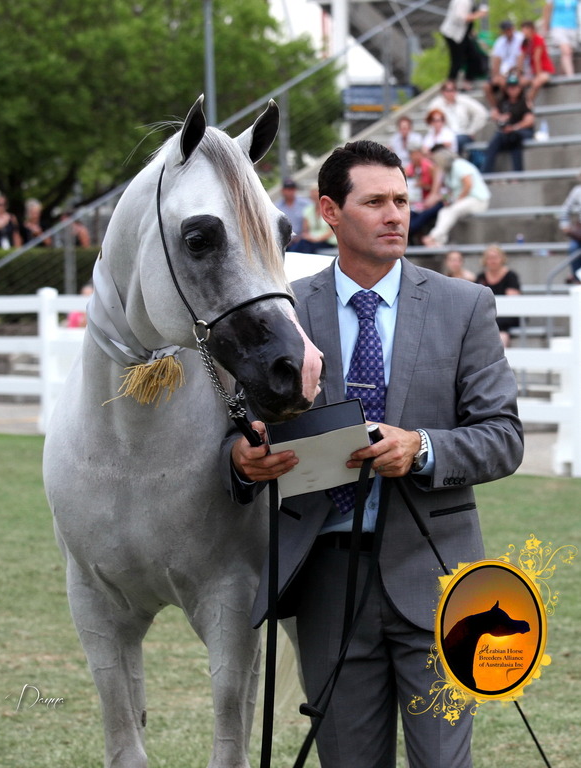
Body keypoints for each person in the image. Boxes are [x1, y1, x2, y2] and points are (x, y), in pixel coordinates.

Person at [220, 139, 523, 768]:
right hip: (325, 578)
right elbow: (239, 429)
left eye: (403, 201)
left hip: (437, 576)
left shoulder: (463, 306)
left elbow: (503, 437)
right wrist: (240, 461)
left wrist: (422, 447)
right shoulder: (284, 313)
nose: (396, 215)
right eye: (376, 201)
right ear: (330, 211)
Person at [422, 147, 490, 247]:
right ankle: (438, 243)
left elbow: (468, 185)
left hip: (478, 200)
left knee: (452, 210)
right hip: (465, 200)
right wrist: (446, 200)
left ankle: (433, 237)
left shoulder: (459, 165)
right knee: (443, 211)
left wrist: (456, 200)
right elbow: (452, 191)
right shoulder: (449, 172)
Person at [482, 71, 535, 173]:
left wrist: (514, 127)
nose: (512, 89)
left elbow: (529, 121)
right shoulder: (503, 102)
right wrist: (500, 118)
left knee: (513, 138)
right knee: (497, 139)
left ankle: (517, 173)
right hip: (507, 133)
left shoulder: (525, 102)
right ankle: (486, 171)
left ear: (520, 88)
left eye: (515, 87)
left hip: (521, 131)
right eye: (510, 87)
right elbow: (494, 114)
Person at [475, 244, 521, 346]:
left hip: (506, 316)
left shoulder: (510, 276)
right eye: (489, 258)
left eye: (495, 257)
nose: (492, 261)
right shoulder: (480, 277)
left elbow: (512, 301)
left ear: (502, 259)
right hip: (488, 316)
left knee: (499, 332)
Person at [428, 80, 489, 155]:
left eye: (452, 90)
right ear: (442, 92)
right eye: (447, 90)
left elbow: (481, 113)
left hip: (462, 135)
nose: (450, 93)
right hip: (445, 137)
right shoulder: (436, 104)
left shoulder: (463, 100)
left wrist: (471, 130)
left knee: (458, 141)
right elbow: (431, 122)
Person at [440, 0, 489, 89]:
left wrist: (471, 31)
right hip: (454, 35)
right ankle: (449, 85)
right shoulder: (463, 1)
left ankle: (467, 81)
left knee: (473, 55)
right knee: (457, 61)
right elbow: (460, 18)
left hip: (462, 34)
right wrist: (479, 14)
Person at [406, 141, 444, 242]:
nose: (415, 156)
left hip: (431, 200)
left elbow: (437, 188)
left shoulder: (430, 167)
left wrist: (424, 186)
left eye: (417, 153)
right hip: (417, 202)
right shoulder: (409, 168)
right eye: (413, 154)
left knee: (414, 223)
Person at [483, 20, 525, 108]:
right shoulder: (500, 42)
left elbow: (521, 57)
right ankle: (497, 108)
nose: (509, 31)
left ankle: (511, 106)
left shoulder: (520, 38)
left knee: (506, 83)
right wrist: (496, 75)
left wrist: (518, 72)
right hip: (504, 72)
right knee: (487, 86)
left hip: (515, 71)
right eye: (506, 30)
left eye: (510, 29)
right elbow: (496, 60)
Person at [517, 20, 556, 105]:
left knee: (536, 82)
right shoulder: (525, 42)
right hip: (533, 72)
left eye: (525, 29)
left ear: (531, 29)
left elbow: (537, 58)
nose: (523, 32)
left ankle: (527, 103)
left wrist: (538, 75)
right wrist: (519, 73)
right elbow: (521, 59)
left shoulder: (538, 39)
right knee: (518, 83)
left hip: (544, 70)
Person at [293, 186, 337, 254]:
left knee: (304, 247)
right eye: (313, 194)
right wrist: (310, 237)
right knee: (302, 244)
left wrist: (317, 239)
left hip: (327, 241)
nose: (314, 196)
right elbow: (305, 230)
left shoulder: (330, 210)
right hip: (311, 240)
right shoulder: (308, 210)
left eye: (316, 194)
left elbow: (332, 231)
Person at [542, 0, 579, 76]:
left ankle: (562, 76)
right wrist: (545, 27)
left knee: (567, 54)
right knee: (566, 51)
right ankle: (571, 77)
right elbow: (547, 9)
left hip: (573, 27)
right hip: (557, 26)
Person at [558, 169, 581, 283]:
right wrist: (565, 225)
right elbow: (565, 210)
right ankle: (577, 277)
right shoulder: (577, 191)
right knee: (573, 248)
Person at [275, 178, 310, 250]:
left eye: (292, 189)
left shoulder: (306, 204)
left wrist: (301, 237)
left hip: (301, 240)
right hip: (283, 241)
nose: (290, 192)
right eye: (287, 189)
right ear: (282, 191)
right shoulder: (277, 207)